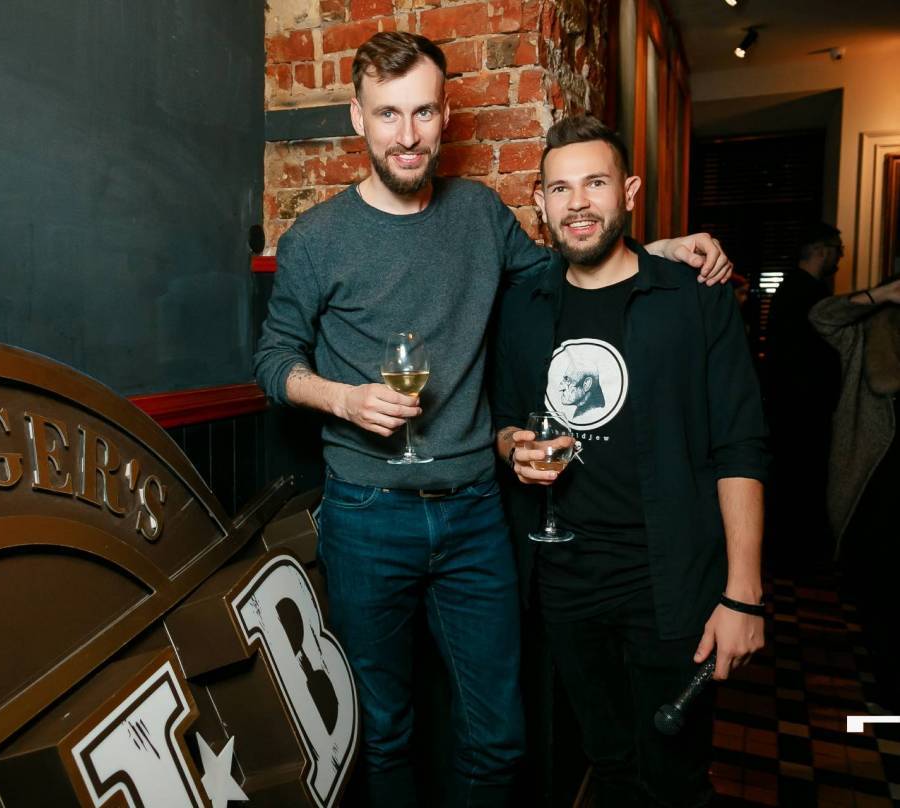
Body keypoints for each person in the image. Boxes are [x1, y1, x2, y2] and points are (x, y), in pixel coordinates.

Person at [253, 32, 730, 807]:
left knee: (499, 737)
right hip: (367, 513)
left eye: (423, 112)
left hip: (475, 514)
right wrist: (342, 398)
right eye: (387, 114)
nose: (407, 135)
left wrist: (659, 250)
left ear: (445, 115)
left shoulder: (478, 212)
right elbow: (274, 360)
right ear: (358, 118)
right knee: (385, 731)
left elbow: (563, 270)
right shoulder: (316, 238)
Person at [492, 115, 768, 807]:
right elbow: (503, 422)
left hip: (671, 583)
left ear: (630, 192)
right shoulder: (522, 306)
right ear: (541, 201)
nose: (578, 203)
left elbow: (740, 445)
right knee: (609, 766)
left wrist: (743, 593)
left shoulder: (693, 296)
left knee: (675, 777)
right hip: (565, 582)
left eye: (595, 183)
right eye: (561, 188)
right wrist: (514, 448)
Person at [810, 274, 900, 712]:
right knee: (878, 589)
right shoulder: (869, 330)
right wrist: (881, 295)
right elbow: (821, 316)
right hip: (875, 484)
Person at [764, 223, 844, 567]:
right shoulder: (804, 292)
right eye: (838, 251)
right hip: (799, 407)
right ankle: (797, 554)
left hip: (793, 404)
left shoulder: (795, 288)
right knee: (799, 479)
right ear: (822, 250)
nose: (840, 259)